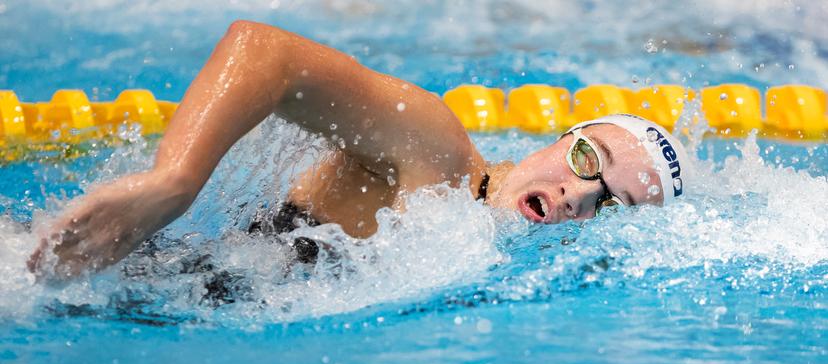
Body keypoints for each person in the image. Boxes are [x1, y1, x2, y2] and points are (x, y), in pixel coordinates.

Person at [27, 20, 691, 279]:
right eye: (587, 162)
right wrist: (174, 180)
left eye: (611, 205)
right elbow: (265, 51)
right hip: (112, 268)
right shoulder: (437, 152)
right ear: (560, 140)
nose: (580, 196)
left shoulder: (506, 274)